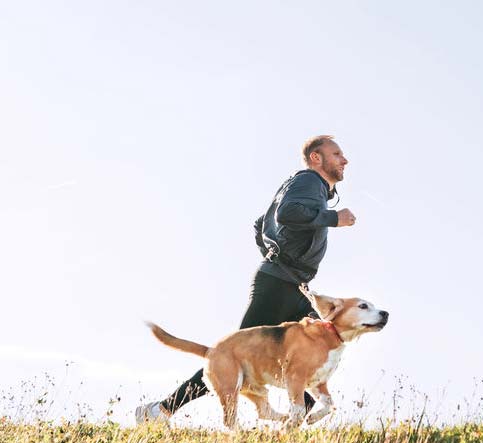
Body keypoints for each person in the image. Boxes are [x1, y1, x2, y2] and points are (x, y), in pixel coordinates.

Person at [136, 134, 356, 423]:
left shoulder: (307, 188)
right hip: (279, 285)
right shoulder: (309, 182)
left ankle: (289, 429)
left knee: (317, 349)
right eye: (337, 154)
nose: (345, 160)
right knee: (231, 357)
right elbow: (288, 213)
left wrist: (276, 253)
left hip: (289, 283)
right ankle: (160, 411)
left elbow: (261, 224)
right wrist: (332, 219)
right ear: (317, 158)